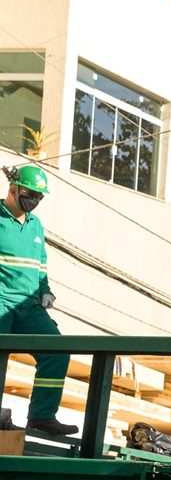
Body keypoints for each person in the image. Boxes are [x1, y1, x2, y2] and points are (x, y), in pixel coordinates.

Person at [0, 165, 76, 435]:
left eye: (39, 197)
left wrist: (45, 289)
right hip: (2, 303)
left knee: (56, 351)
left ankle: (42, 416)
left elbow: (40, 264)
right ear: (13, 189)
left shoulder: (35, 224)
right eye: (31, 194)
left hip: (29, 306)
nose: (34, 201)